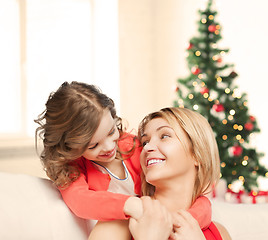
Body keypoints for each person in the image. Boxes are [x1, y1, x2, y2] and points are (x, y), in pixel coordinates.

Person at [35, 82, 213, 239]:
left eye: (111, 132)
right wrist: (132, 205)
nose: (108, 147)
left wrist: (182, 222)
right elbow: (80, 201)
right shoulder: (74, 169)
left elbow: (196, 195)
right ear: (70, 148)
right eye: (93, 145)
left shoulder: (133, 145)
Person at [129, 107, 231, 240]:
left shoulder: (220, 233)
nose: (147, 148)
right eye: (145, 142)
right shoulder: (120, 222)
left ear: (197, 154)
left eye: (164, 136)